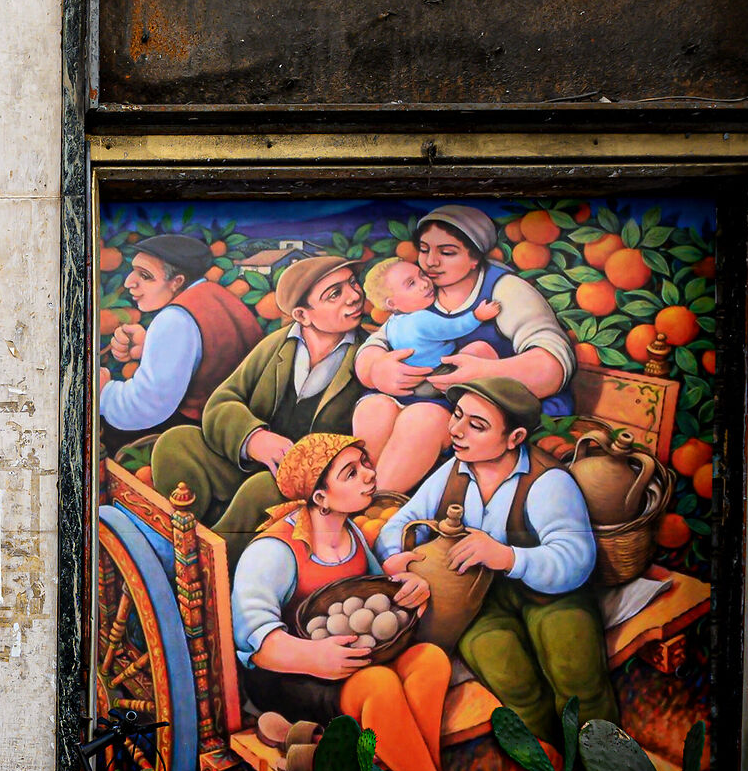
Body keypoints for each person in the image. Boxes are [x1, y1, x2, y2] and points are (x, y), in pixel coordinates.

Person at [230, 433, 497, 771]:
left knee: (429, 660)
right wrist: (315, 657)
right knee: (379, 683)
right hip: (290, 680)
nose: (369, 476)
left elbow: (374, 594)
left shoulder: (351, 533)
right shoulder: (273, 551)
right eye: (351, 472)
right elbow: (257, 641)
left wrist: (406, 586)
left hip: (350, 660)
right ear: (320, 496)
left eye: (365, 464)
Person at [378, 377, 617, 743]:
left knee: (577, 677)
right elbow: (400, 524)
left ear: (515, 438)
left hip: (552, 590)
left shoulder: (549, 482)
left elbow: (576, 559)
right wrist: (396, 560)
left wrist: (507, 557)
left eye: (476, 425)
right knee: (509, 678)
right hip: (479, 598)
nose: (456, 430)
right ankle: (554, 764)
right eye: (457, 416)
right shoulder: (453, 471)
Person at [146, 255, 369, 567]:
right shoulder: (279, 345)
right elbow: (223, 401)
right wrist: (253, 438)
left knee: (263, 490)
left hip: (315, 485)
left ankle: (208, 568)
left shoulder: (369, 356)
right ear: (302, 315)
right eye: (335, 293)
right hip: (253, 463)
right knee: (177, 443)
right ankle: (178, 542)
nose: (355, 295)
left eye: (352, 284)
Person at [354, 204, 576, 428]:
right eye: (424, 249)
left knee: (422, 421)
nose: (431, 262)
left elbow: (553, 364)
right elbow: (378, 341)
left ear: (475, 258)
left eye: (447, 252)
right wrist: (375, 370)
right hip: (422, 395)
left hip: (484, 411)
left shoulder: (504, 289)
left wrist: (486, 373)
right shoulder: (419, 292)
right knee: (373, 410)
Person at [352, 255, 505, 495]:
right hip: (421, 384)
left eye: (421, 276)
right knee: (375, 410)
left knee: (420, 420)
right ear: (392, 303)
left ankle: (374, 494)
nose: (424, 283)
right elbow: (455, 327)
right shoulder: (421, 318)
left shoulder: (396, 322)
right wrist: (478, 315)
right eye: (411, 283)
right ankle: (373, 493)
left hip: (425, 396)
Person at [96, 234, 264, 436]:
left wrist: (104, 392)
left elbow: (144, 407)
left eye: (145, 275)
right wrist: (150, 346)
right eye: (134, 271)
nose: (129, 282)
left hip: (203, 434)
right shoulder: (216, 294)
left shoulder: (174, 319)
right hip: (244, 424)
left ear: (177, 282)